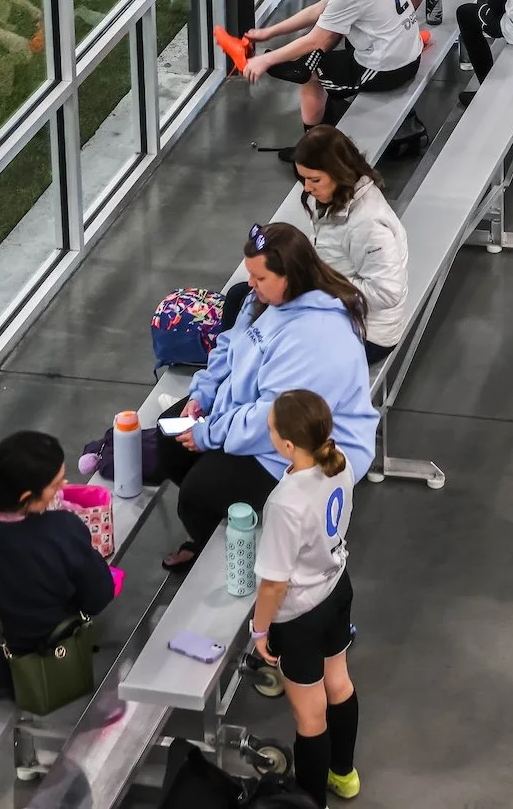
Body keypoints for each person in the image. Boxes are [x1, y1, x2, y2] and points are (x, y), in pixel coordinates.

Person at [159, 224, 377, 570]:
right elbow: (231, 343)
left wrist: (210, 433)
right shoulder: (265, 298)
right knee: (168, 442)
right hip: (253, 414)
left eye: (259, 278)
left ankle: (230, 553)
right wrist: (203, 392)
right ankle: (224, 524)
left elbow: (274, 418)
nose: (250, 285)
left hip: (299, 443)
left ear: (289, 275)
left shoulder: (318, 339)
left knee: (198, 496)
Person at [0, 432, 114, 700]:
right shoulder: (63, 531)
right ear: (26, 496)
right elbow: (98, 597)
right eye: (56, 484)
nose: (63, 486)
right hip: (44, 671)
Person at [251, 391, 360, 806]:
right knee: (339, 682)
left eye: (272, 429)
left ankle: (311, 803)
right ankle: (344, 774)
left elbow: (274, 584)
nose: (269, 431)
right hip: (337, 587)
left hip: (301, 616)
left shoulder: (285, 504)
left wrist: (260, 630)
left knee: (310, 715)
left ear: (289, 445)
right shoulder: (341, 461)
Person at [243, 0, 421, 135]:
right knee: (337, 35)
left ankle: (312, 148)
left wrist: (264, 60)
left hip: (388, 69)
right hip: (409, 55)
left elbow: (314, 39)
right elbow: (318, 9)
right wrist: (268, 32)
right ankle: (312, 81)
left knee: (309, 76)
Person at [293, 127, 409, 366]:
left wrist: (322, 282)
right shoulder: (337, 196)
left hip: (367, 334)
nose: (307, 188)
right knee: (245, 296)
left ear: (339, 172)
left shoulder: (368, 224)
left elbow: (387, 292)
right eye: (304, 178)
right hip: (337, 311)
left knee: (278, 352)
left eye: (314, 180)